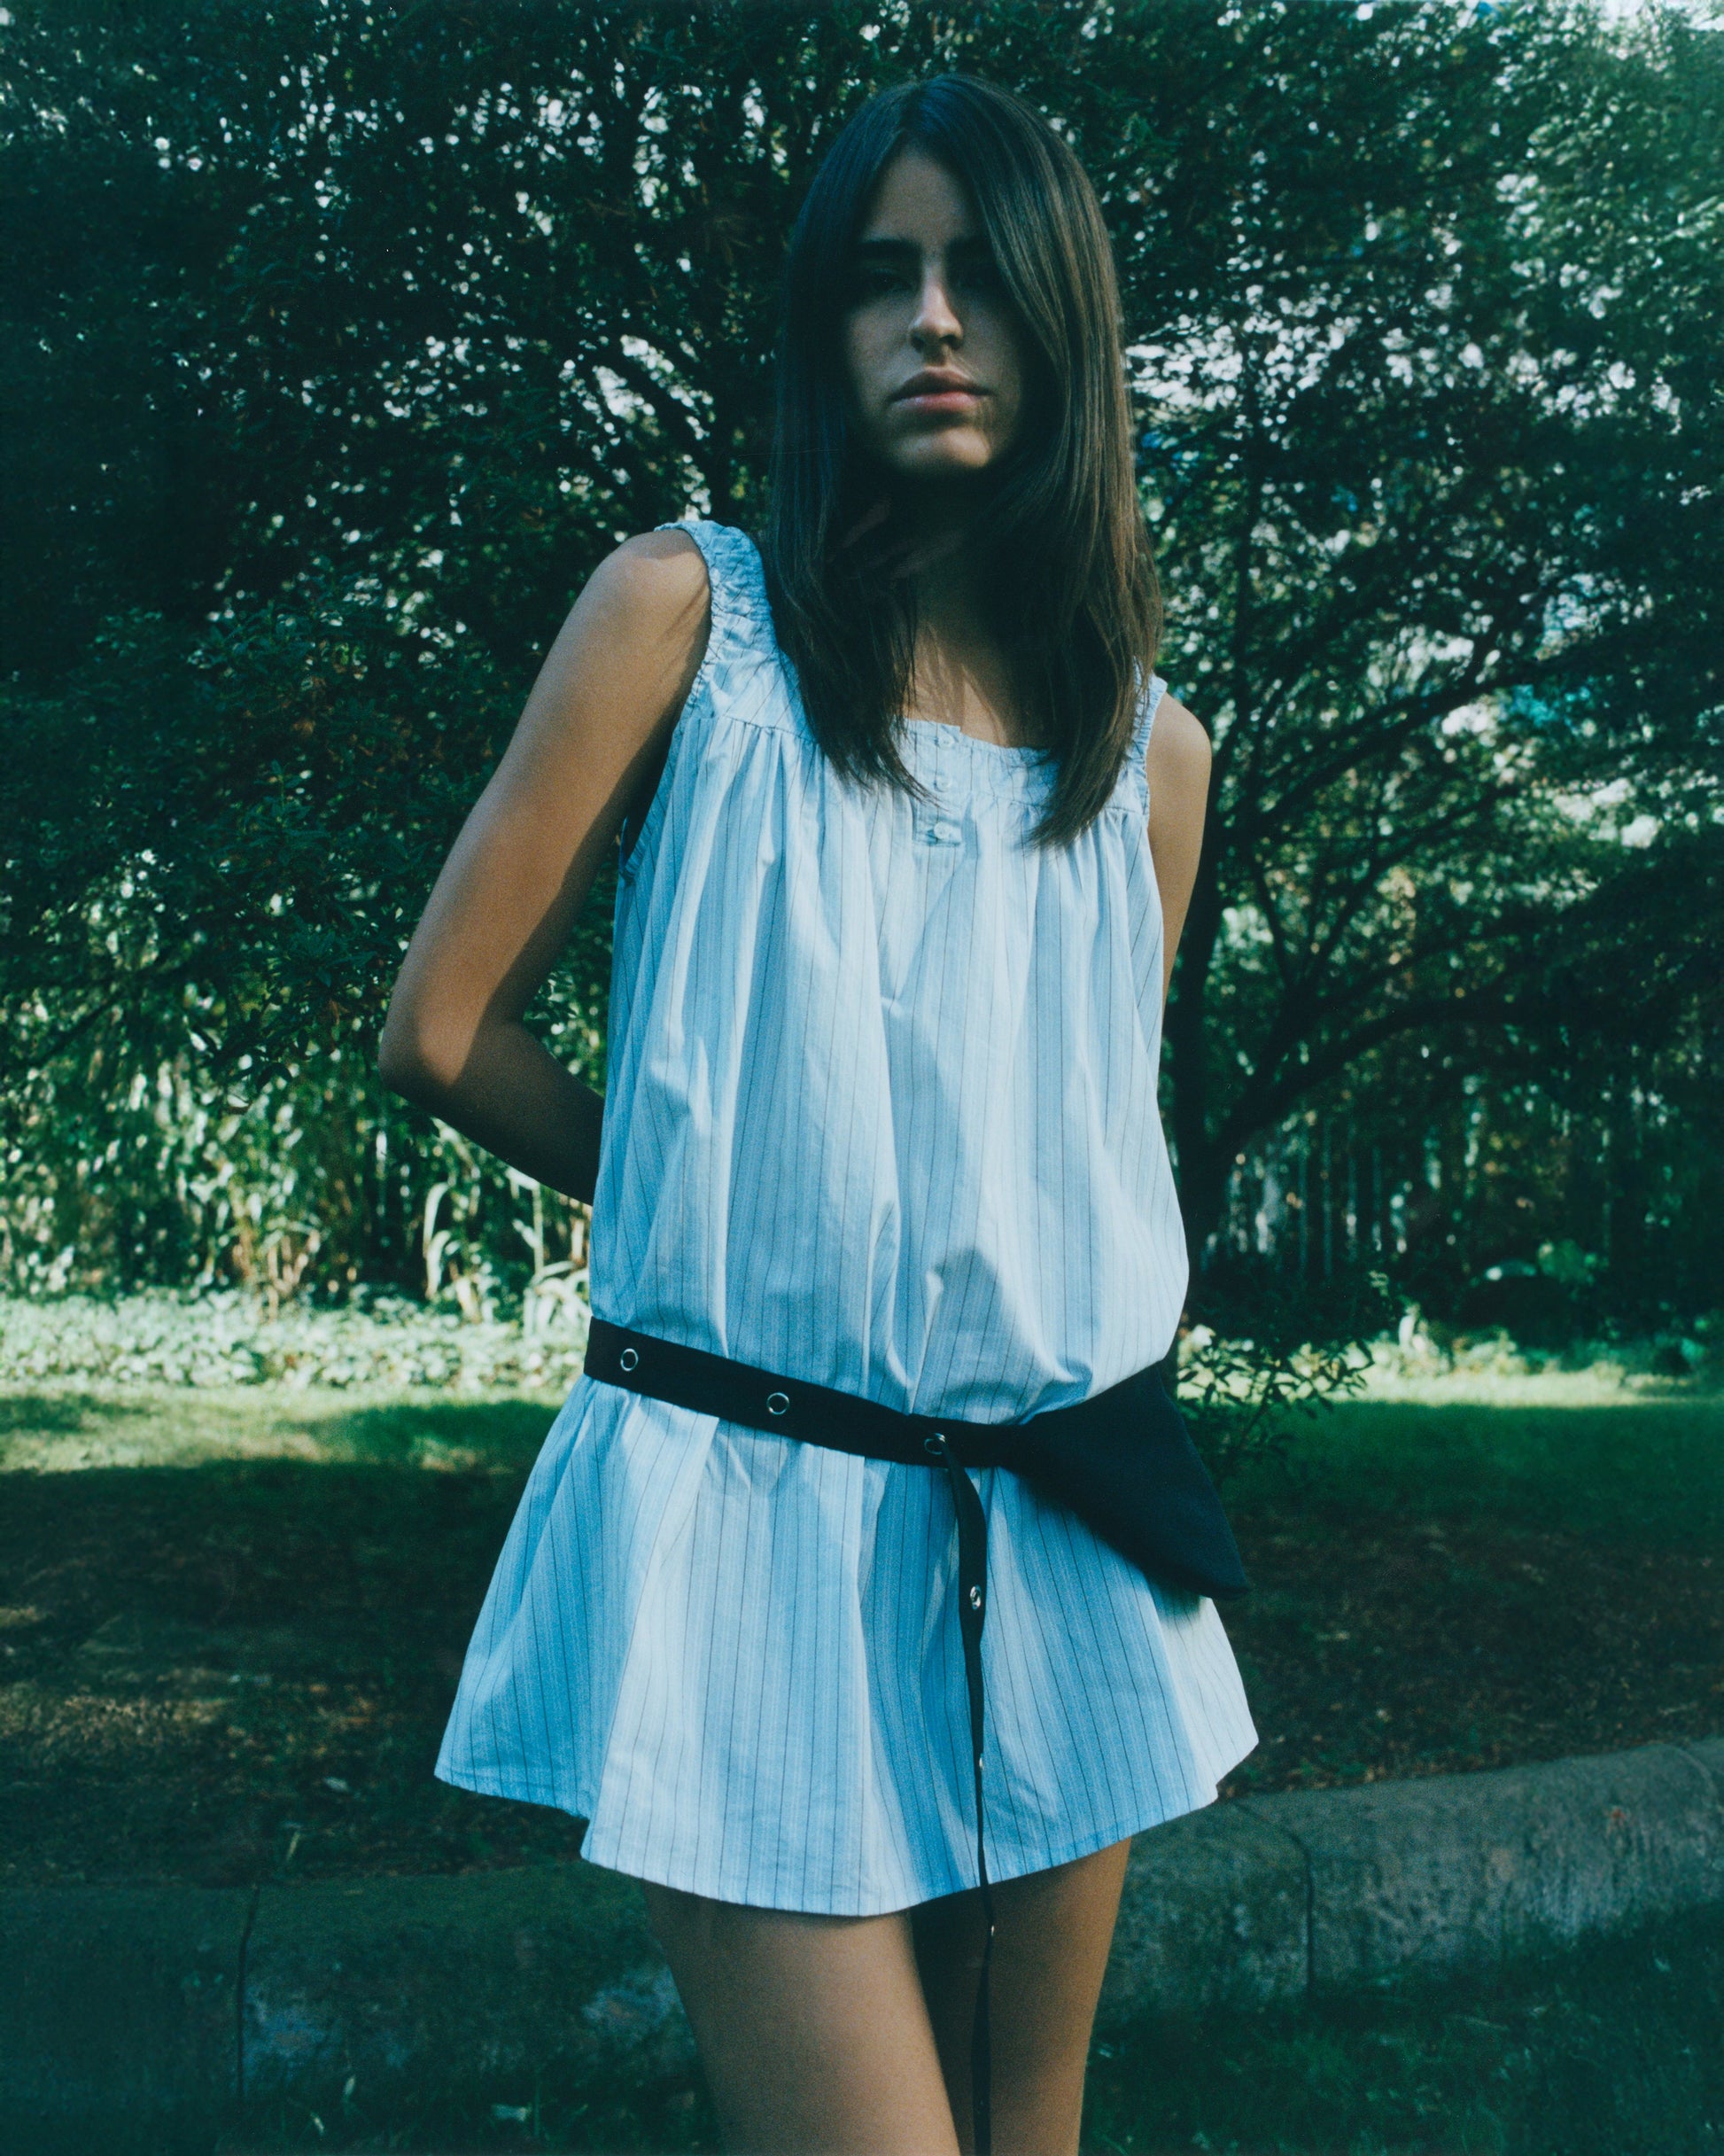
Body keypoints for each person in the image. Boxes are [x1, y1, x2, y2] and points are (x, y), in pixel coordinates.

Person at [380, 74, 1256, 2156]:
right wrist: (728, 1193)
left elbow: (1058, 1155)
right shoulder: (689, 623)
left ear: (1065, 324)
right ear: (821, 328)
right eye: (882, 277)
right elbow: (440, 1028)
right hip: (744, 1505)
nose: (932, 318)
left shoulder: (1151, 758)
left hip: (1060, 1524)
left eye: (982, 275)